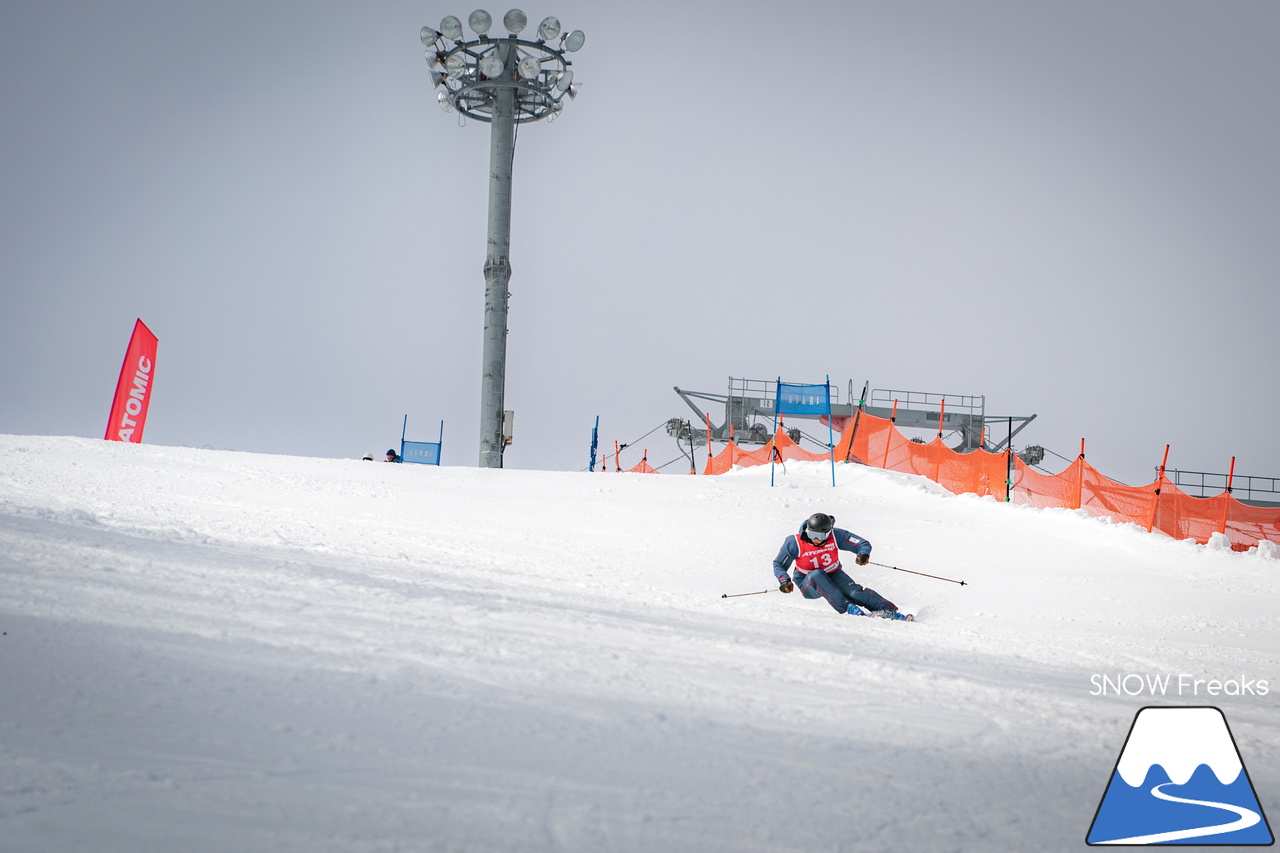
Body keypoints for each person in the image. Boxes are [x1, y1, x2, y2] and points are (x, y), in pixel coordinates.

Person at [773, 512, 913, 620]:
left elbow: (862, 544)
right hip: (808, 582)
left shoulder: (835, 535)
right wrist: (784, 580)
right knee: (817, 575)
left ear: (828, 533)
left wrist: (863, 554)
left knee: (854, 592)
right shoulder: (794, 542)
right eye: (812, 534)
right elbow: (779, 563)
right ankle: (847, 607)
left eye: (820, 536)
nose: (815, 539)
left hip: (833, 574)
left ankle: (889, 612)